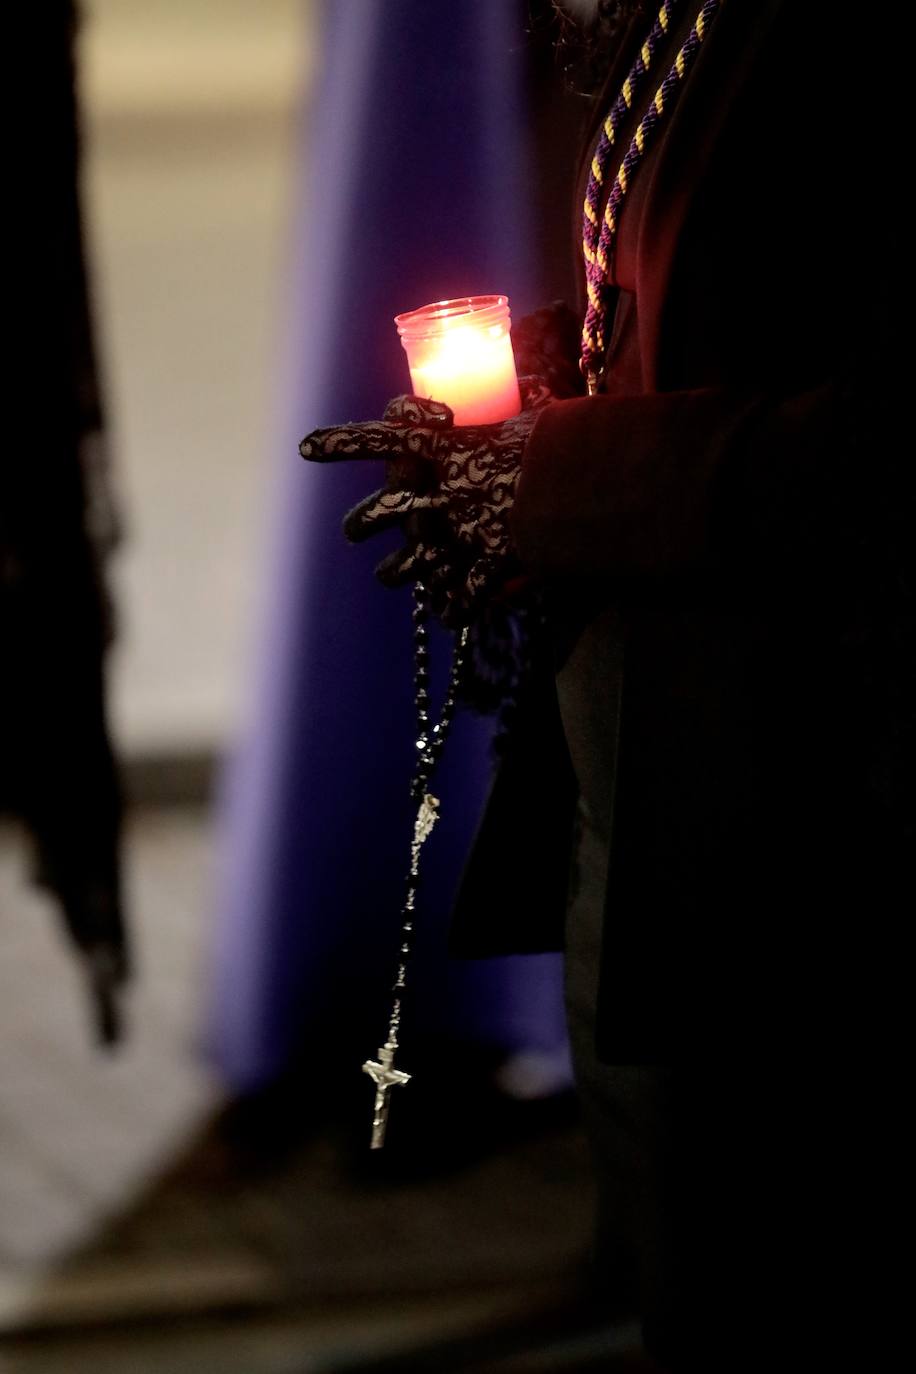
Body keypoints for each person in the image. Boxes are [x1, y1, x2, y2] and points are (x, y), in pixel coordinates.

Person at [302, 0, 910, 1366]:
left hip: (811, 861)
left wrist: (562, 480)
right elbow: (763, 290)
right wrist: (547, 378)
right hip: (659, 820)